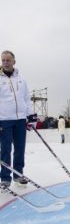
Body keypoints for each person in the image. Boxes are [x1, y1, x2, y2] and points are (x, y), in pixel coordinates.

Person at [0, 50, 36, 187]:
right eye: (3, 60)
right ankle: (5, 177)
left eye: (8, 60)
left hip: (21, 119)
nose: (5, 63)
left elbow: (26, 98)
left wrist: (31, 117)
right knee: (5, 149)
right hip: (4, 120)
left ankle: (18, 174)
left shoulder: (21, 78)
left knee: (20, 148)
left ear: (14, 61)